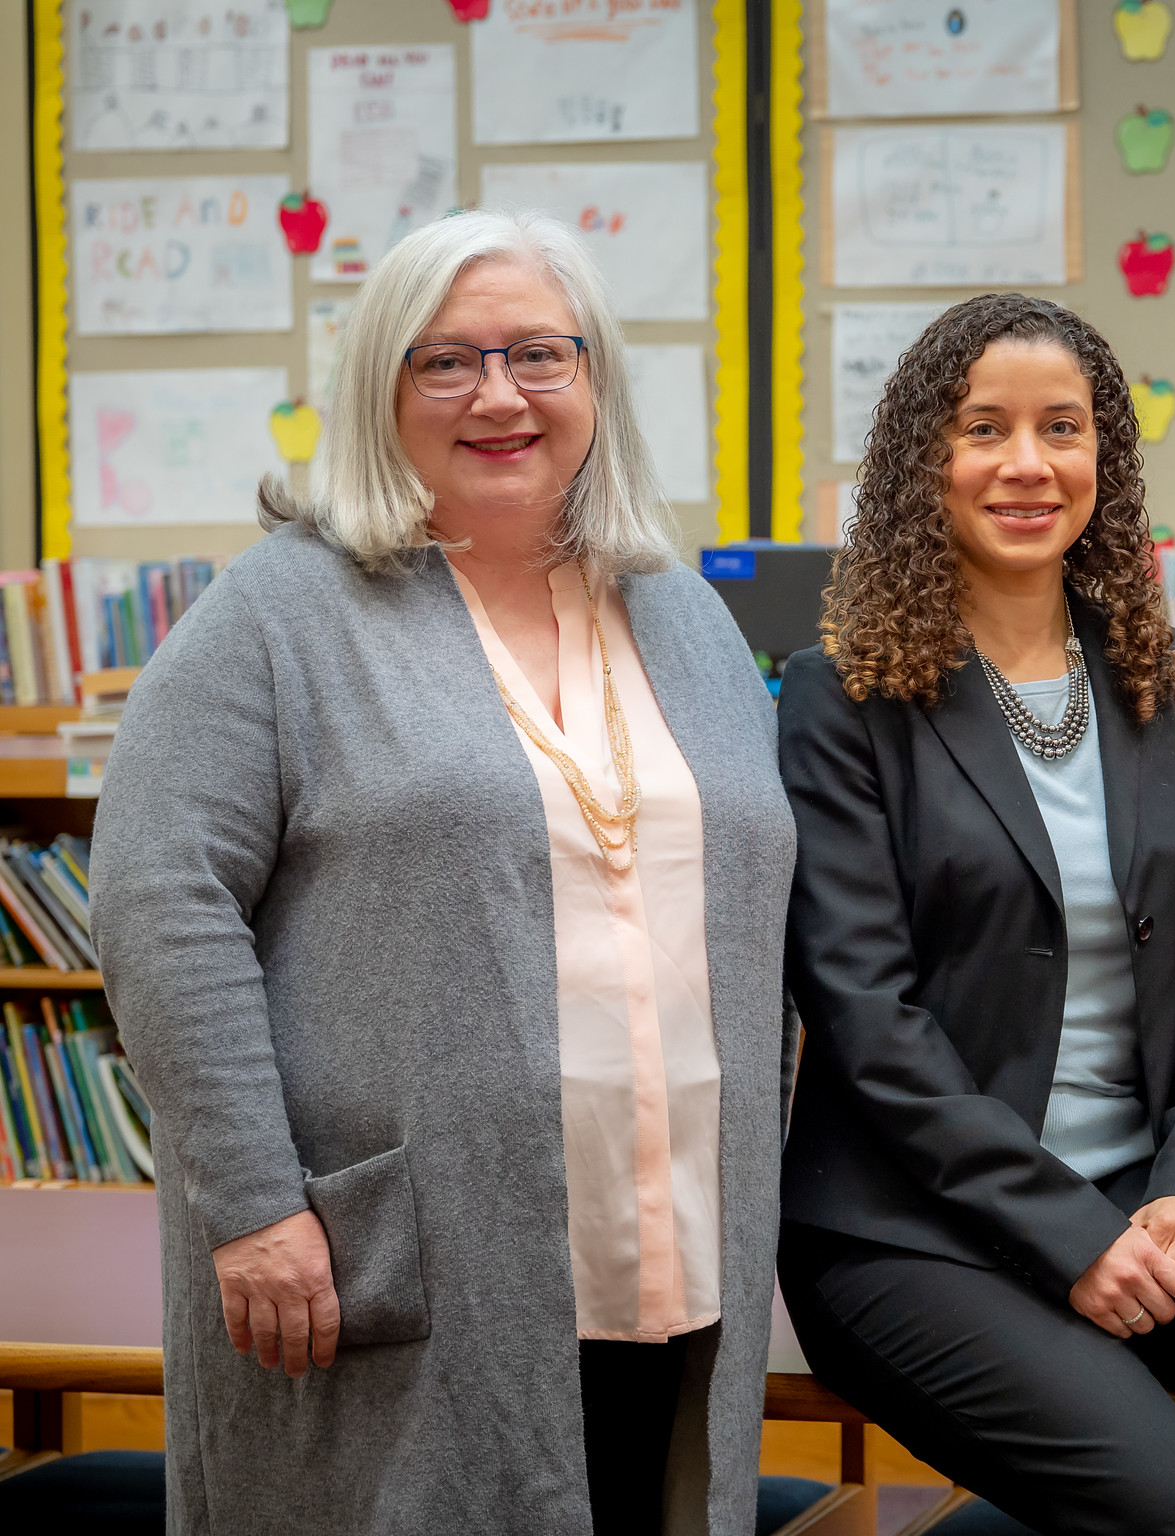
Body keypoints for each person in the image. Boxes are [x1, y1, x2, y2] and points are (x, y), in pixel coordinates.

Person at [90, 210, 797, 1536]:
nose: (499, 396)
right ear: (382, 388)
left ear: (595, 380)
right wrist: (252, 1207)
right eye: (446, 363)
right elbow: (157, 901)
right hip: (387, 1251)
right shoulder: (279, 612)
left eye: (540, 353)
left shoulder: (686, 616)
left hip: (670, 1249)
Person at [775, 293, 1175, 1536]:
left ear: (1102, 462)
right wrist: (1073, 1232)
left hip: (1147, 1188)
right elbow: (868, 1022)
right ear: (925, 464)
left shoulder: (1166, 676)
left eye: (1061, 428)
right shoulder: (839, 693)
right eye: (983, 430)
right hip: (913, 1229)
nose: (1026, 465)